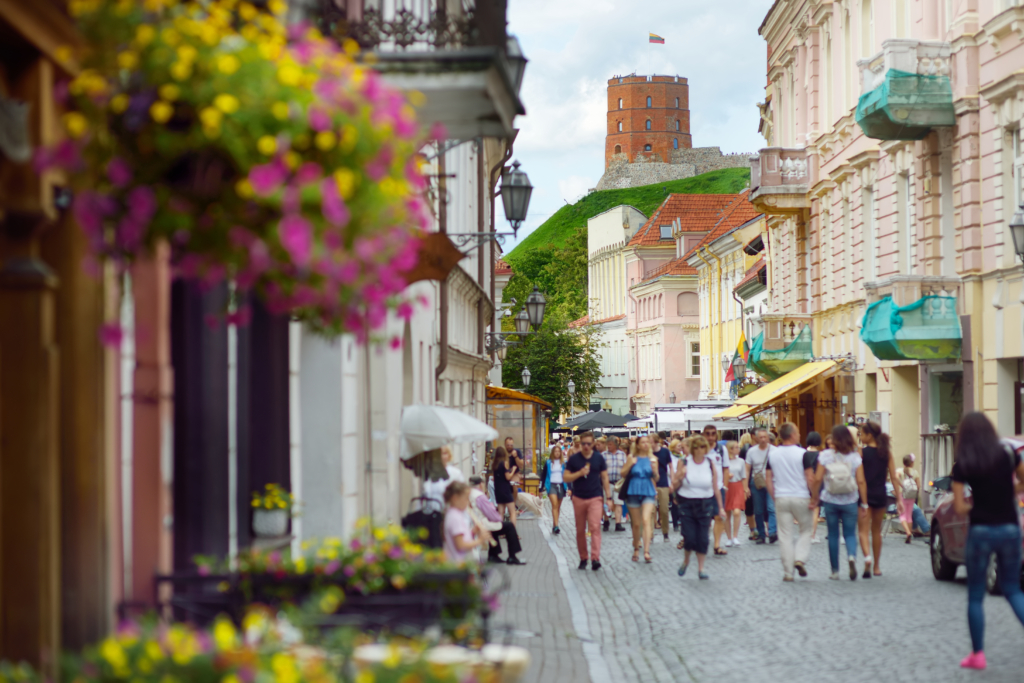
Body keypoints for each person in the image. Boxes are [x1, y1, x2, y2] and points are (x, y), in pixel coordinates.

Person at [950, 412, 1024, 671]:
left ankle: (978, 654)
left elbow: (959, 507)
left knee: (975, 596)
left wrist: (978, 505)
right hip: (1010, 529)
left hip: (981, 530)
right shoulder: (1007, 454)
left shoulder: (963, 463)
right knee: (1013, 589)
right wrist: (1010, 492)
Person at [814, 425, 868, 580]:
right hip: (850, 499)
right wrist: (864, 503)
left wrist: (814, 497)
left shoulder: (825, 455)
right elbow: (861, 481)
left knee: (832, 535)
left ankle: (835, 571)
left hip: (830, 498)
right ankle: (851, 556)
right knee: (850, 533)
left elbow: (818, 478)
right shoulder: (855, 457)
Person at [765, 422, 816, 581]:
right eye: (798, 432)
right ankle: (800, 558)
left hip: (781, 497)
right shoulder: (802, 454)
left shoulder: (772, 454)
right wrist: (814, 496)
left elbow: (768, 479)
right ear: (792, 435)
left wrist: (775, 497)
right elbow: (810, 477)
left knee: (785, 535)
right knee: (806, 530)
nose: (800, 435)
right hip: (800, 496)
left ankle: (788, 572)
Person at [673, 436, 724, 579]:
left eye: (703, 447)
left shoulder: (709, 463)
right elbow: (674, 485)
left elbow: (715, 487)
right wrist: (680, 477)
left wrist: (720, 507)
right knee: (689, 537)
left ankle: (701, 569)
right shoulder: (684, 463)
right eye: (697, 447)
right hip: (687, 503)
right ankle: (686, 560)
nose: (700, 450)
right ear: (692, 448)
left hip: (705, 503)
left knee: (703, 538)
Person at [857, 420, 903, 578]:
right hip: (880, 494)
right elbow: (894, 478)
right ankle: (877, 566)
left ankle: (867, 559)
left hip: (865, 495)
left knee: (863, 531)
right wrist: (899, 499)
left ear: (869, 436)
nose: (860, 437)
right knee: (876, 532)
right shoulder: (886, 453)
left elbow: (859, 477)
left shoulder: (861, 453)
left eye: (862, 434)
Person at [563, 431, 611, 571]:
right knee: (580, 530)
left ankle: (595, 558)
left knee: (595, 527)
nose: (585, 446)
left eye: (589, 444)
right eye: (583, 444)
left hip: (595, 497)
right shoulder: (574, 459)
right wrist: (579, 473)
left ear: (593, 444)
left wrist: (608, 498)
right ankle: (583, 557)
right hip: (579, 497)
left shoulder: (598, 458)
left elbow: (605, 478)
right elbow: (566, 477)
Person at [468, 476, 525, 565]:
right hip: (482, 523)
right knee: (509, 526)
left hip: (475, 522)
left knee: (495, 527)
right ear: (480, 484)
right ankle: (512, 556)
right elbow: (490, 513)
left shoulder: (470, 493)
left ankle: (493, 555)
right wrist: (498, 519)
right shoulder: (479, 496)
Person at [620, 434, 659, 563]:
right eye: (643, 442)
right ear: (637, 445)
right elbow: (623, 473)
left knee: (646, 519)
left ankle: (646, 551)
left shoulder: (653, 458)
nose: (646, 444)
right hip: (633, 489)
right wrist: (629, 464)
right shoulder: (632, 457)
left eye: (647, 442)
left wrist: (654, 471)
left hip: (648, 489)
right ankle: (637, 547)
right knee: (636, 524)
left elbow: (656, 478)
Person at [443, 481, 490, 564]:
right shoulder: (454, 517)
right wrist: (480, 540)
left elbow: (461, 537)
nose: (468, 502)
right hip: (458, 565)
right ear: (455, 498)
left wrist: (472, 532)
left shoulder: (455, 514)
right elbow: (460, 545)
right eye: (466, 498)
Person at [702, 425, 730, 555]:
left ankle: (717, 545)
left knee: (719, 517)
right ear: (704, 435)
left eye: (713, 434)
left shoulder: (721, 449)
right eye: (708, 434)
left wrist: (724, 485)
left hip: (718, 488)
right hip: (701, 490)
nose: (710, 437)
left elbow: (725, 469)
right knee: (703, 519)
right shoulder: (699, 449)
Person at [746, 428, 777, 544]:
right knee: (758, 510)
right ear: (756, 438)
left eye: (765, 437)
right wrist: (745, 486)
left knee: (771, 508)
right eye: (761, 437)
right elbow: (747, 468)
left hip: (772, 482)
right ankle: (761, 534)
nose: (763, 439)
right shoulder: (751, 451)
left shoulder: (774, 450)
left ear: (768, 438)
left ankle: (773, 532)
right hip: (756, 483)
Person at [724, 441, 749, 547]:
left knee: (737, 512)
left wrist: (745, 489)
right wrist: (726, 476)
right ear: (730, 449)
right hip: (727, 487)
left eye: (738, 447)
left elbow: (744, 476)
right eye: (735, 447)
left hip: (738, 486)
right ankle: (729, 537)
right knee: (727, 513)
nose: (738, 449)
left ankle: (735, 536)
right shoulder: (724, 461)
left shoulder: (741, 461)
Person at [653, 432, 674, 543]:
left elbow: (670, 466)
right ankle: (650, 533)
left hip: (664, 483)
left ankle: (665, 532)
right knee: (651, 510)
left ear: (656, 442)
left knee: (664, 510)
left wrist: (672, 482)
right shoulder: (648, 453)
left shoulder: (665, 451)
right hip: (651, 484)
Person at [541, 445, 567, 534]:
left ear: (561, 453)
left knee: (558, 507)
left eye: (558, 451)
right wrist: (541, 488)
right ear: (553, 453)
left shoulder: (563, 463)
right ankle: (556, 526)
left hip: (561, 485)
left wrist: (569, 487)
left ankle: (555, 524)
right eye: (555, 451)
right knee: (554, 505)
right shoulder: (548, 463)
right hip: (551, 485)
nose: (557, 453)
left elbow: (567, 475)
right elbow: (543, 475)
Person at [604, 436, 627, 532]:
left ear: (615, 445)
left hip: (619, 482)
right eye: (607, 444)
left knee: (618, 503)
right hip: (607, 482)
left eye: (610, 444)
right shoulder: (603, 455)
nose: (608, 446)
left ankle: (618, 523)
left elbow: (625, 467)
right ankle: (606, 521)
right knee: (606, 503)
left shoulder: (622, 454)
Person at [492, 447, 518, 526]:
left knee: (500, 513)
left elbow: (494, 478)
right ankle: (512, 532)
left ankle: (500, 531)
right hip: (506, 490)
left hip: (498, 490)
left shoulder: (494, 464)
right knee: (512, 512)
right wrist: (513, 470)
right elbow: (508, 477)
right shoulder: (504, 463)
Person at [897, 453, 920, 544]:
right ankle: (908, 537)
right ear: (912, 463)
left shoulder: (900, 470)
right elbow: (918, 486)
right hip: (911, 497)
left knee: (902, 515)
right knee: (909, 516)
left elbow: (895, 478)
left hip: (902, 495)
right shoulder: (915, 472)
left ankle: (908, 532)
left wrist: (902, 485)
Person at [805, 432, 823, 544]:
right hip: (817, 483)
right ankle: (812, 535)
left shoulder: (804, 453)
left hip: (805, 483)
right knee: (816, 510)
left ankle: (805, 534)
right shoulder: (820, 455)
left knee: (806, 510)